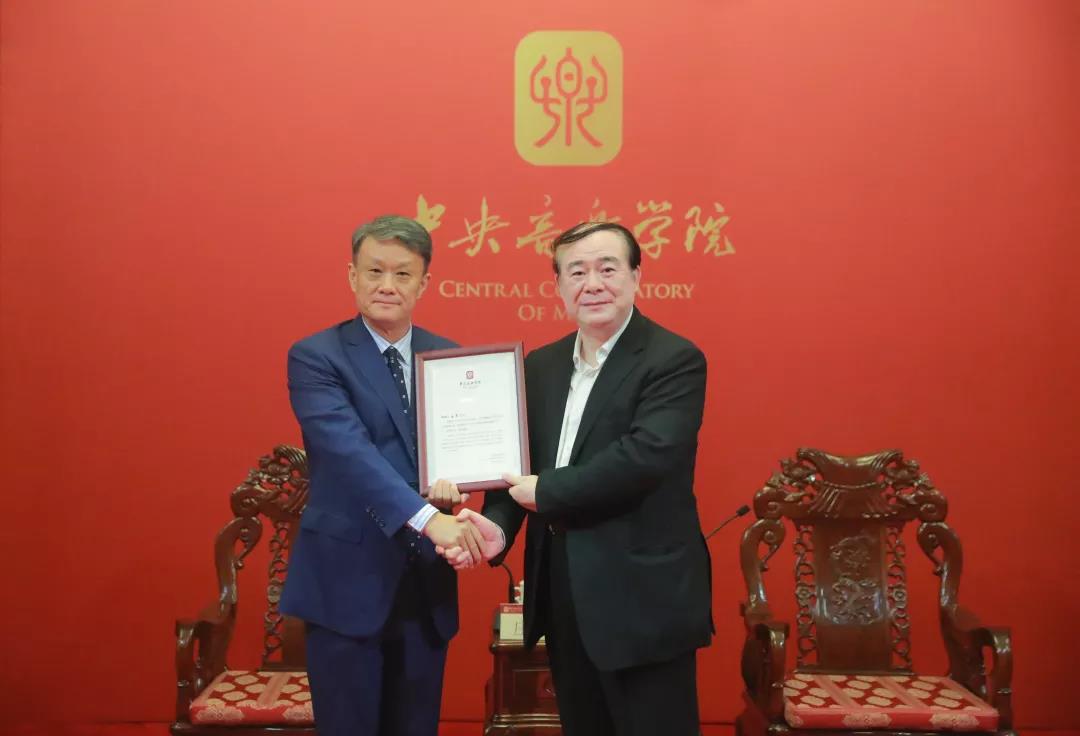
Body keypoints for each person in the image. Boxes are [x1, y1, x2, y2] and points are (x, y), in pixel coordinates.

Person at [441, 221, 713, 736]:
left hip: (642, 596)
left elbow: (645, 457)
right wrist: (497, 526)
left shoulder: (674, 360)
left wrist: (546, 492)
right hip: (563, 590)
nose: (593, 284)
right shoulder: (541, 366)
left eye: (607, 269)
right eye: (577, 272)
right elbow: (516, 465)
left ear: (636, 276)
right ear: (559, 286)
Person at [281, 214, 481, 736]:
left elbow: (459, 446)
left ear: (424, 283)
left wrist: (456, 481)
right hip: (347, 580)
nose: (387, 285)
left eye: (402, 274)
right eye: (374, 271)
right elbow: (349, 453)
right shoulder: (316, 356)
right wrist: (428, 517)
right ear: (353, 276)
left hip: (424, 584)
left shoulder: (449, 357)